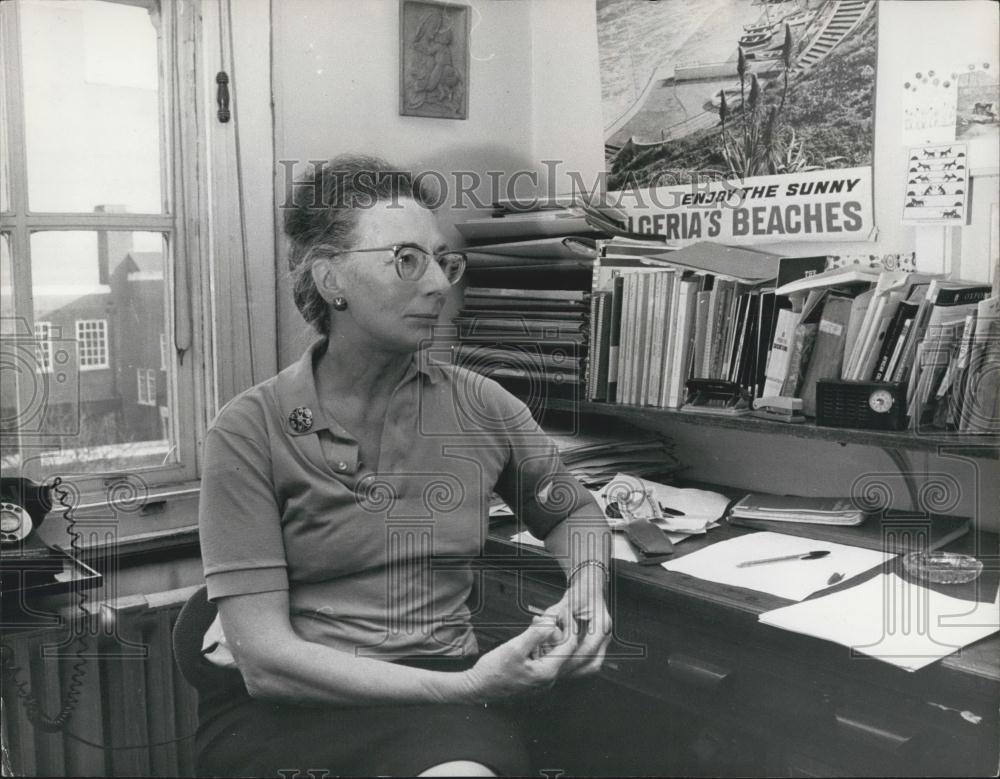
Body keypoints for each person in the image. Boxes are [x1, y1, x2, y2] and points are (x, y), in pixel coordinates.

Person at [195, 154, 612, 777]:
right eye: (407, 259)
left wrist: (589, 585)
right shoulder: (248, 429)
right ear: (330, 279)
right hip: (295, 709)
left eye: (444, 261)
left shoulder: (482, 405)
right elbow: (265, 661)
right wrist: (469, 688)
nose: (440, 285)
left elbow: (571, 511)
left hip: (440, 694)